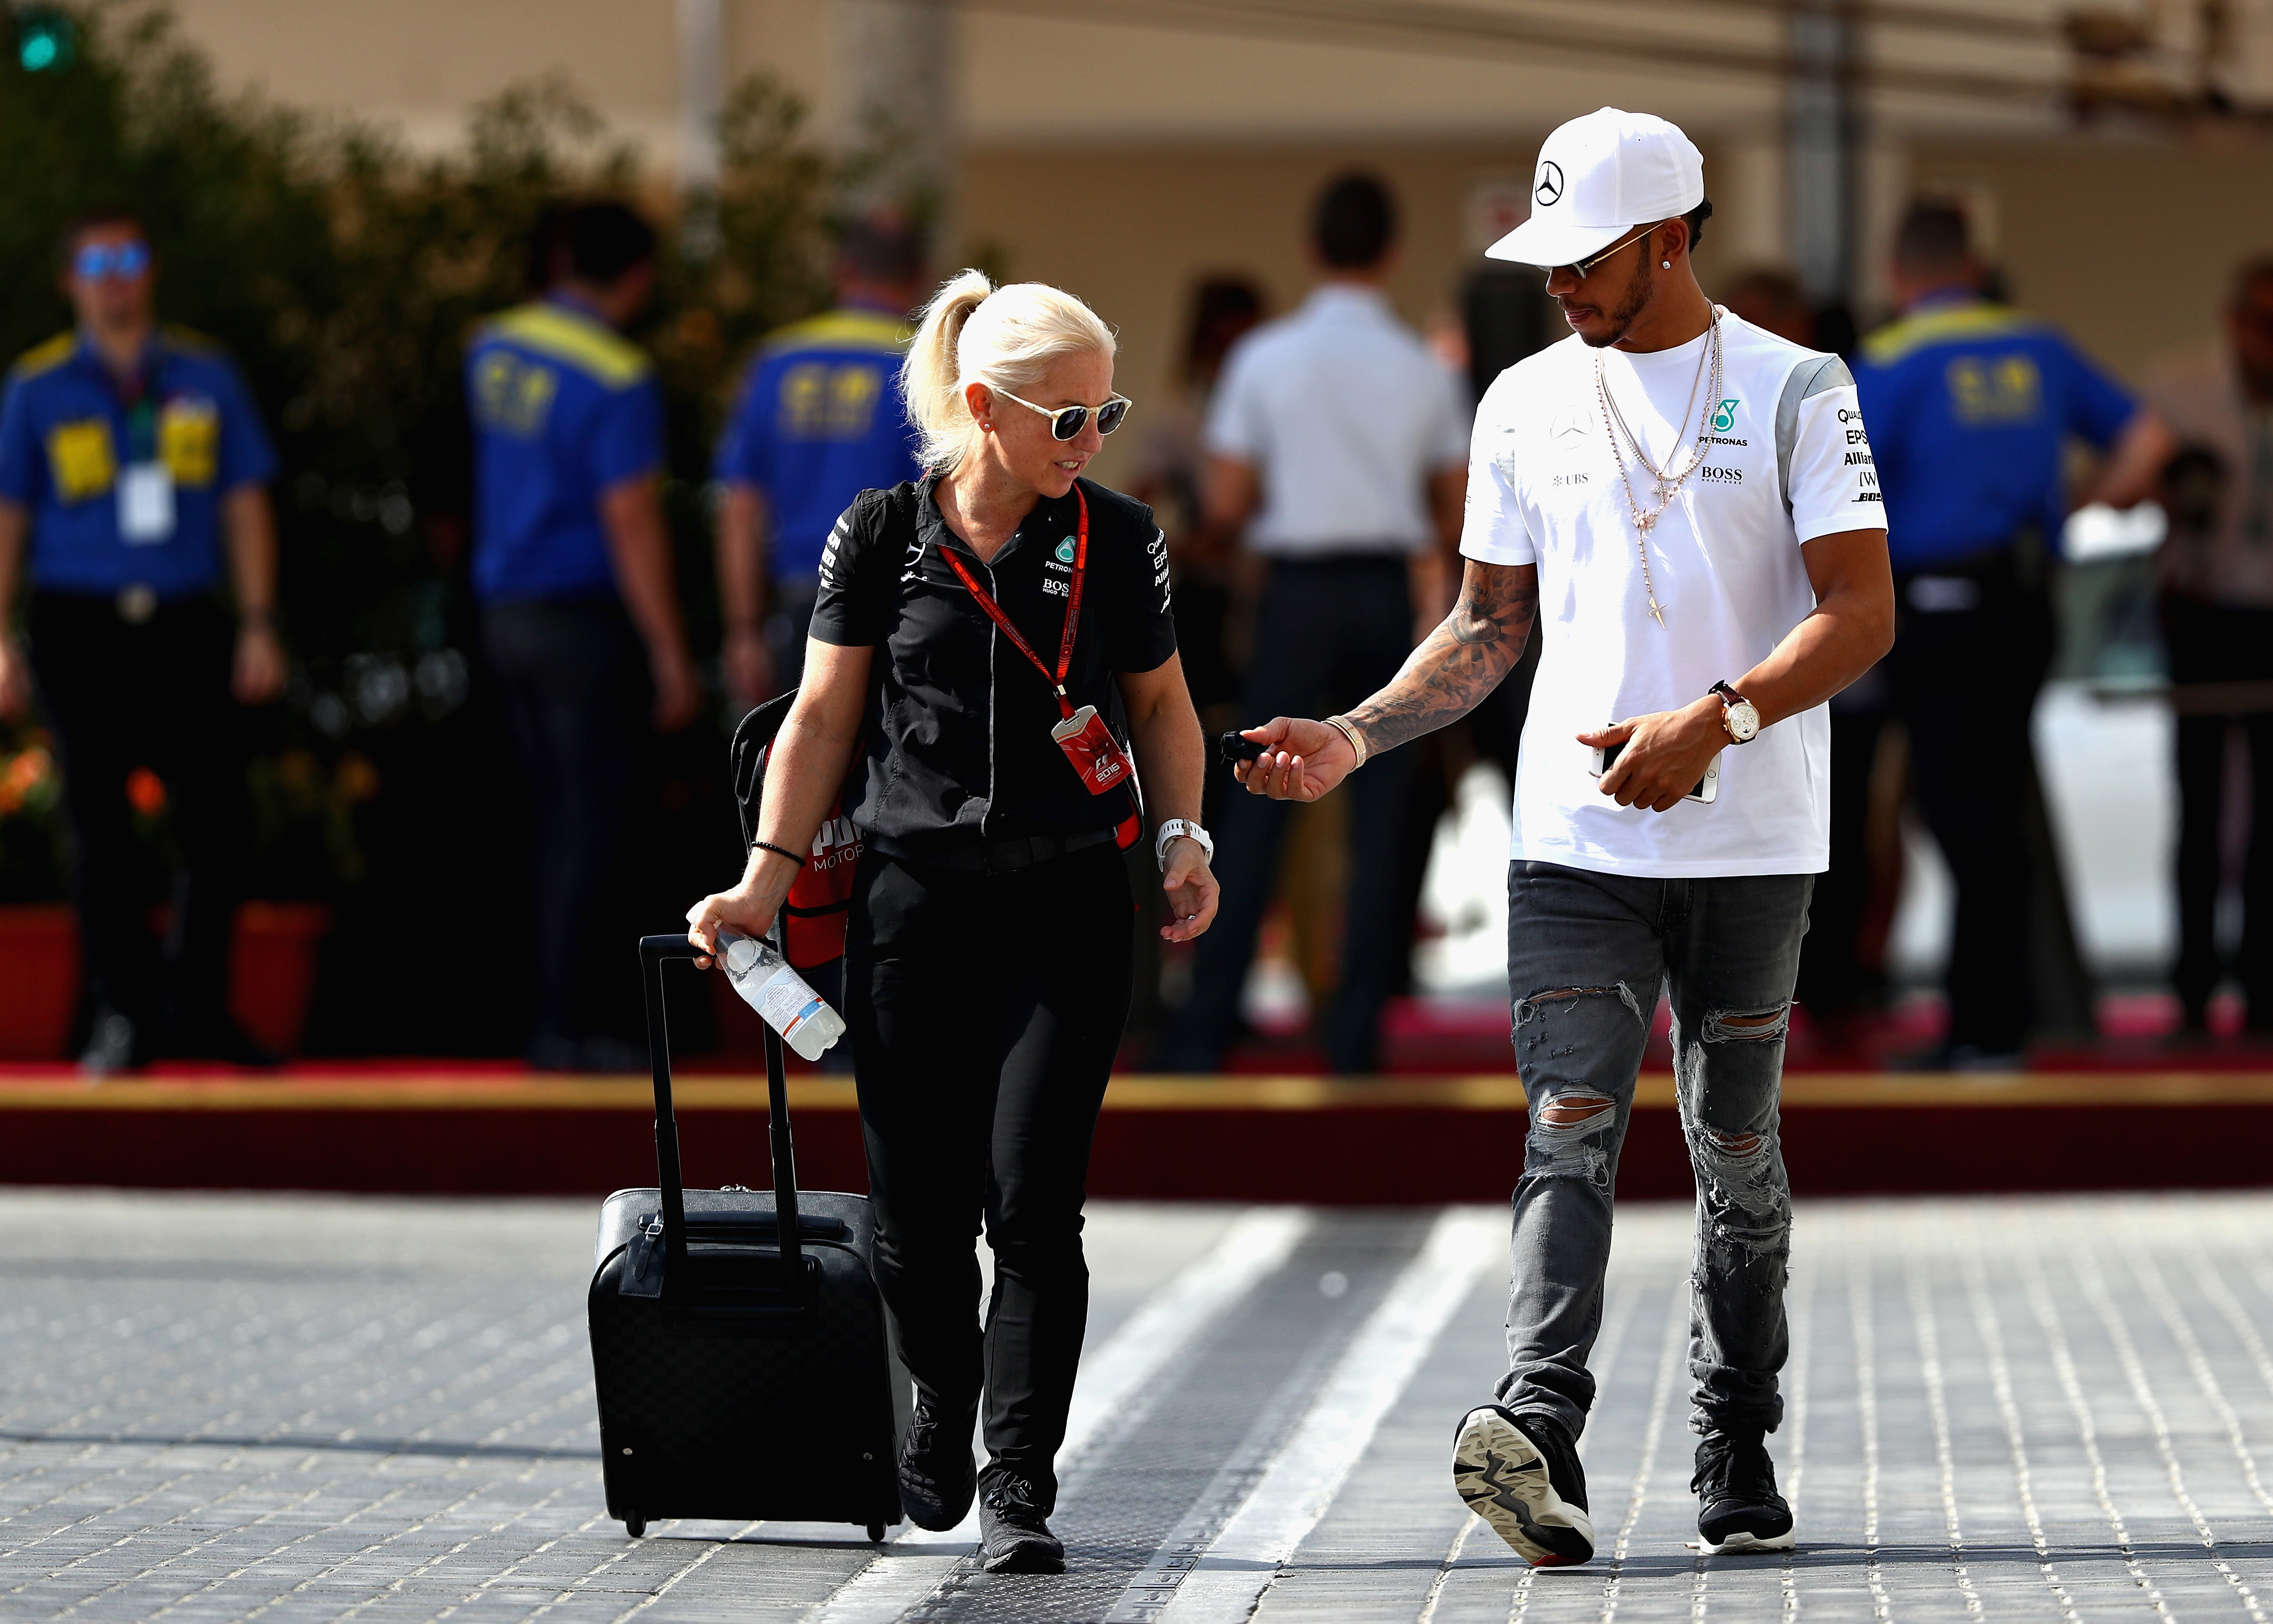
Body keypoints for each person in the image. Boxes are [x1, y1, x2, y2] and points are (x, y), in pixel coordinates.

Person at [1233, 107, 1893, 1563]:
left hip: (1750, 840)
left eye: (1584, 259)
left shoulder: (1797, 389)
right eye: (1545, 262)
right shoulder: (1521, 399)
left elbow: (1859, 612)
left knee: (1738, 1150)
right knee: (1567, 1126)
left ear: (1668, 238)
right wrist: (1355, 734)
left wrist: (1712, 722)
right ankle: (1537, 1424)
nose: (1560, 286)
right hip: (1577, 846)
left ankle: (1734, 1420)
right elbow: (1484, 628)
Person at [684, 272, 1218, 1574]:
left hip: (1069, 900)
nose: (1093, 440)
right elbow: (816, 722)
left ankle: (1020, 1480)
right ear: (984, 408)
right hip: (912, 901)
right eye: (1071, 416)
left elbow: (1161, 707)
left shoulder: (1117, 534)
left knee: (1034, 1202)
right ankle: (938, 1393)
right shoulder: (877, 537)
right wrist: (761, 878)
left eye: (1107, 412)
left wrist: (1181, 836)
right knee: (916, 1212)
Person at [1156, 171, 1469, 1076]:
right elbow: (1454, 511)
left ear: (1310, 249)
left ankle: (1206, 1024)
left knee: (1256, 808)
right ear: (1392, 252)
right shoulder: (1422, 367)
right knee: (1381, 808)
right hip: (1382, 589)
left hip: (1294, 593)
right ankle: (1355, 1030)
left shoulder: (1265, 359)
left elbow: (1224, 499)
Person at [1853, 201, 2171, 1067]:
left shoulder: (1886, 364)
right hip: (2024, 600)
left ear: (1897, 274)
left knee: (1962, 816)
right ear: (1977, 263)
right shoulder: (2042, 346)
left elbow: (1831, 486)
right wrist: (2075, 509)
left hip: (1935, 607)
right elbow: (2147, 441)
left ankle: (1986, 1030)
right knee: (1987, 808)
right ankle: (1988, 1020)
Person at [0, 210, 285, 1072]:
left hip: (185, 620)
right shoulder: (38, 386)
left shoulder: (204, 373)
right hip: (77, 623)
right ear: (71, 281)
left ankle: (197, 1010)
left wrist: (259, 622)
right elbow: (9, 513)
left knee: (216, 825)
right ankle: (121, 1016)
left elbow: (244, 500)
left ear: (151, 272)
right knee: (98, 829)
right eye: (98, 262)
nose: (116, 277)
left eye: (130, 259)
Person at [468, 200, 699, 1072]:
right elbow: (630, 518)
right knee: (591, 823)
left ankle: (546, 1011)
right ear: (636, 278)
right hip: (580, 614)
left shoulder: (494, 344)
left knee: (547, 819)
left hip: (504, 609)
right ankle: (569, 1022)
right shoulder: (615, 373)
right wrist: (669, 650)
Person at [714, 214, 927, 709]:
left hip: (799, 606)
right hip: (896, 610)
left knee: (796, 772)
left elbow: (739, 509)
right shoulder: (924, 365)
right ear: (919, 278)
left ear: (842, 270)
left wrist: (744, 630)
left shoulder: (776, 362)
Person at [2142, 256, 2273, 1037]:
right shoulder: (2179, 387)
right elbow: (2131, 482)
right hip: (2199, 609)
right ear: (2232, 320)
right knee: (2195, 807)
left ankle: (2262, 991)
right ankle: (2191, 991)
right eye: (2258, 321)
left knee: (2272, 819)